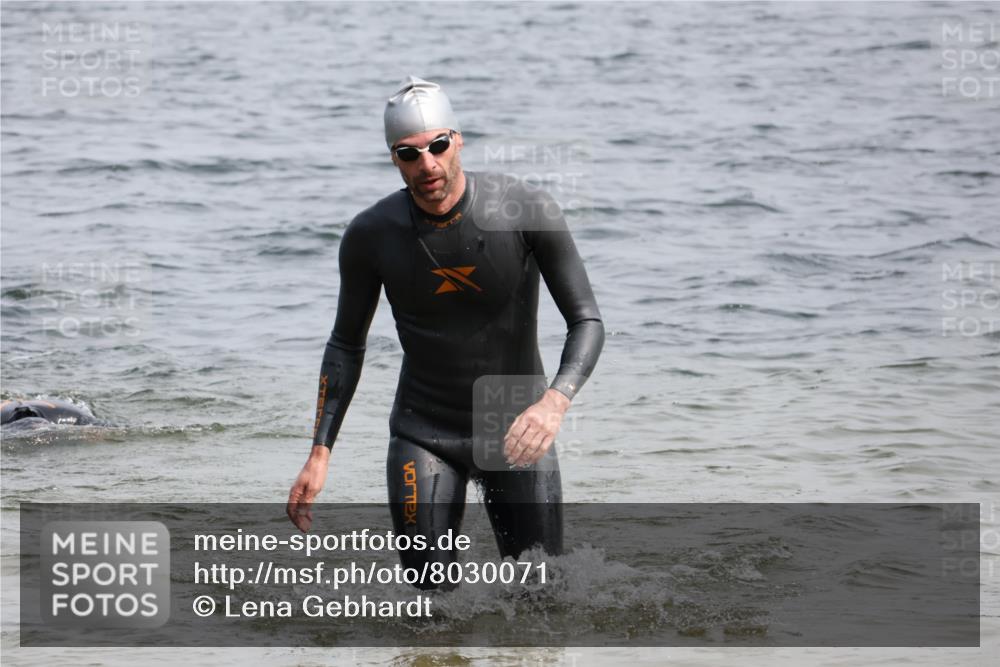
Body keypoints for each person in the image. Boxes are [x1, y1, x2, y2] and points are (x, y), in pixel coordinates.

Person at [286, 76, 604, 584]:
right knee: (429, 608)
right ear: (394, 159)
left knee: (542, 597)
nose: (427, 164)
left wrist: (554, 403)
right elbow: (346, 344)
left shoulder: (523, 209)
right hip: (423, 430)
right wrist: (319, 453)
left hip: (515, 419)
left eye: (437, 146)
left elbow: (586, 320)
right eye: (409, 154)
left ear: (457, 139)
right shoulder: (371, 235)